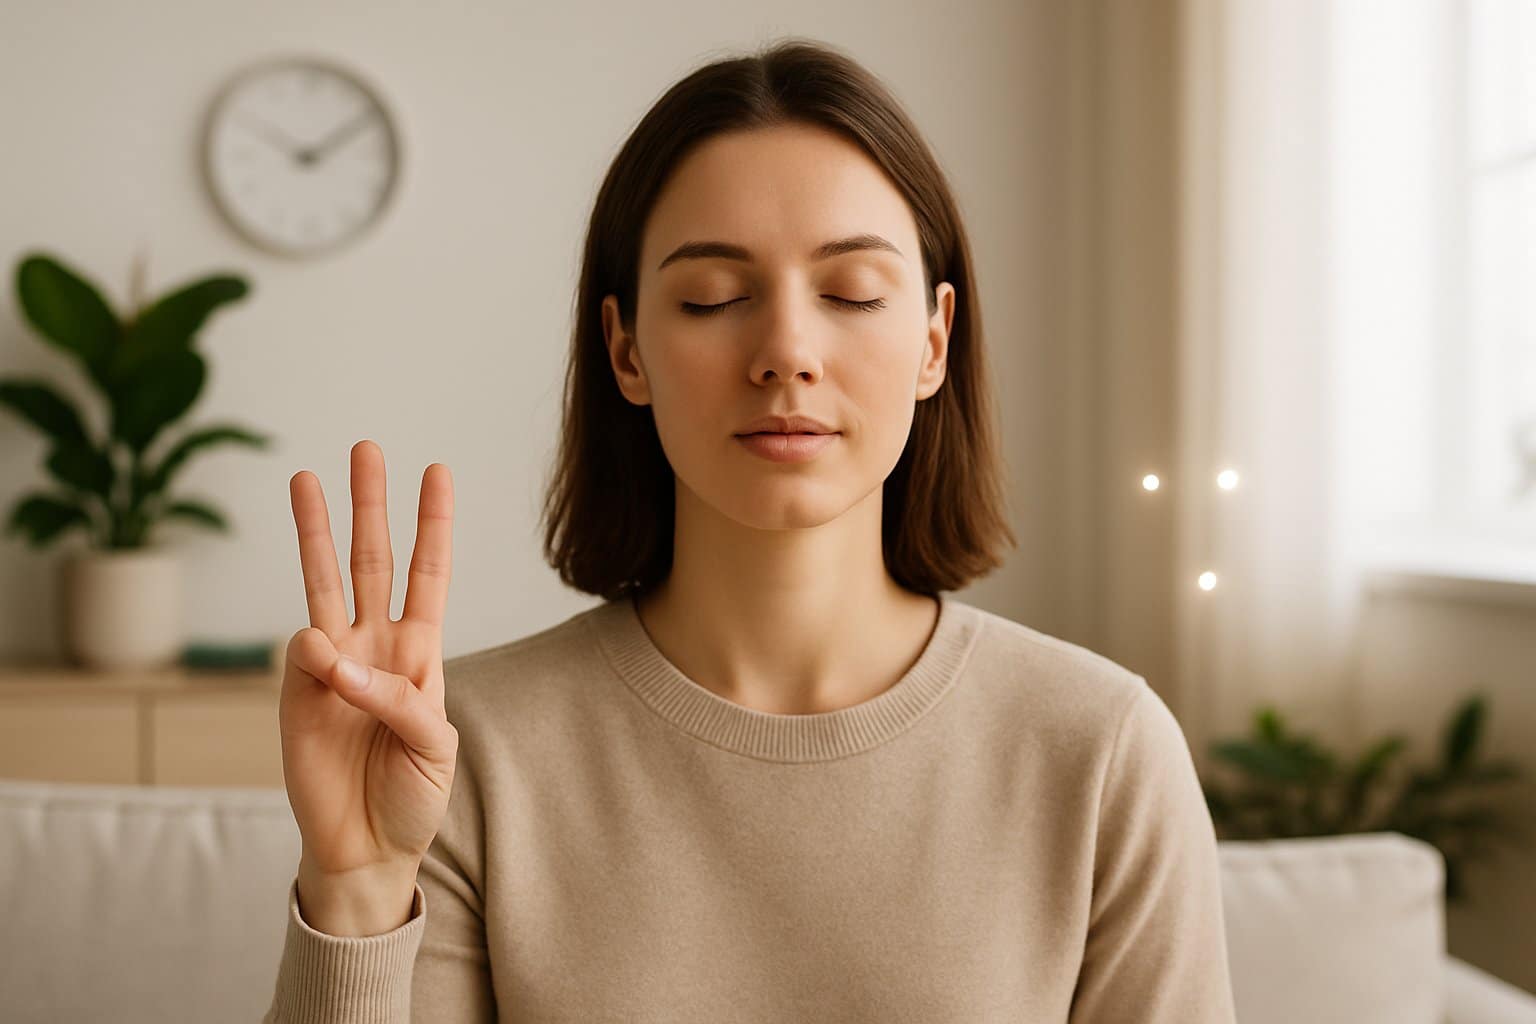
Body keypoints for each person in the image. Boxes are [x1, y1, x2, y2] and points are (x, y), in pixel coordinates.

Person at [263, 36, 1237, 1024]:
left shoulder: (1100, 752)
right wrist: (354, 891)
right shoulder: (459, 753)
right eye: (713, 298)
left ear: (934, 342)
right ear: (627, 350)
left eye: (852, 292)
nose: (786, 351)